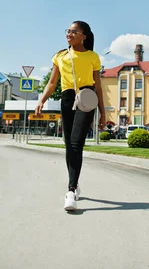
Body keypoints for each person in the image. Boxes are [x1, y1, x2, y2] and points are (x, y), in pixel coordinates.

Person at [35, 21, 105, 211]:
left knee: (76, 143)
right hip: (67, 99)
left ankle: (71, 190)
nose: (69, 34)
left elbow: (98, 86)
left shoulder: (93, 56)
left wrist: (103, 113)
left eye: (74, 31)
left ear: (84, 36)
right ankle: (74, 182)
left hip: (86, 98)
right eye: (68, 31)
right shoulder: (60, 56)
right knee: (69, 145)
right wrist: (41, 100)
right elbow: (52, 83)